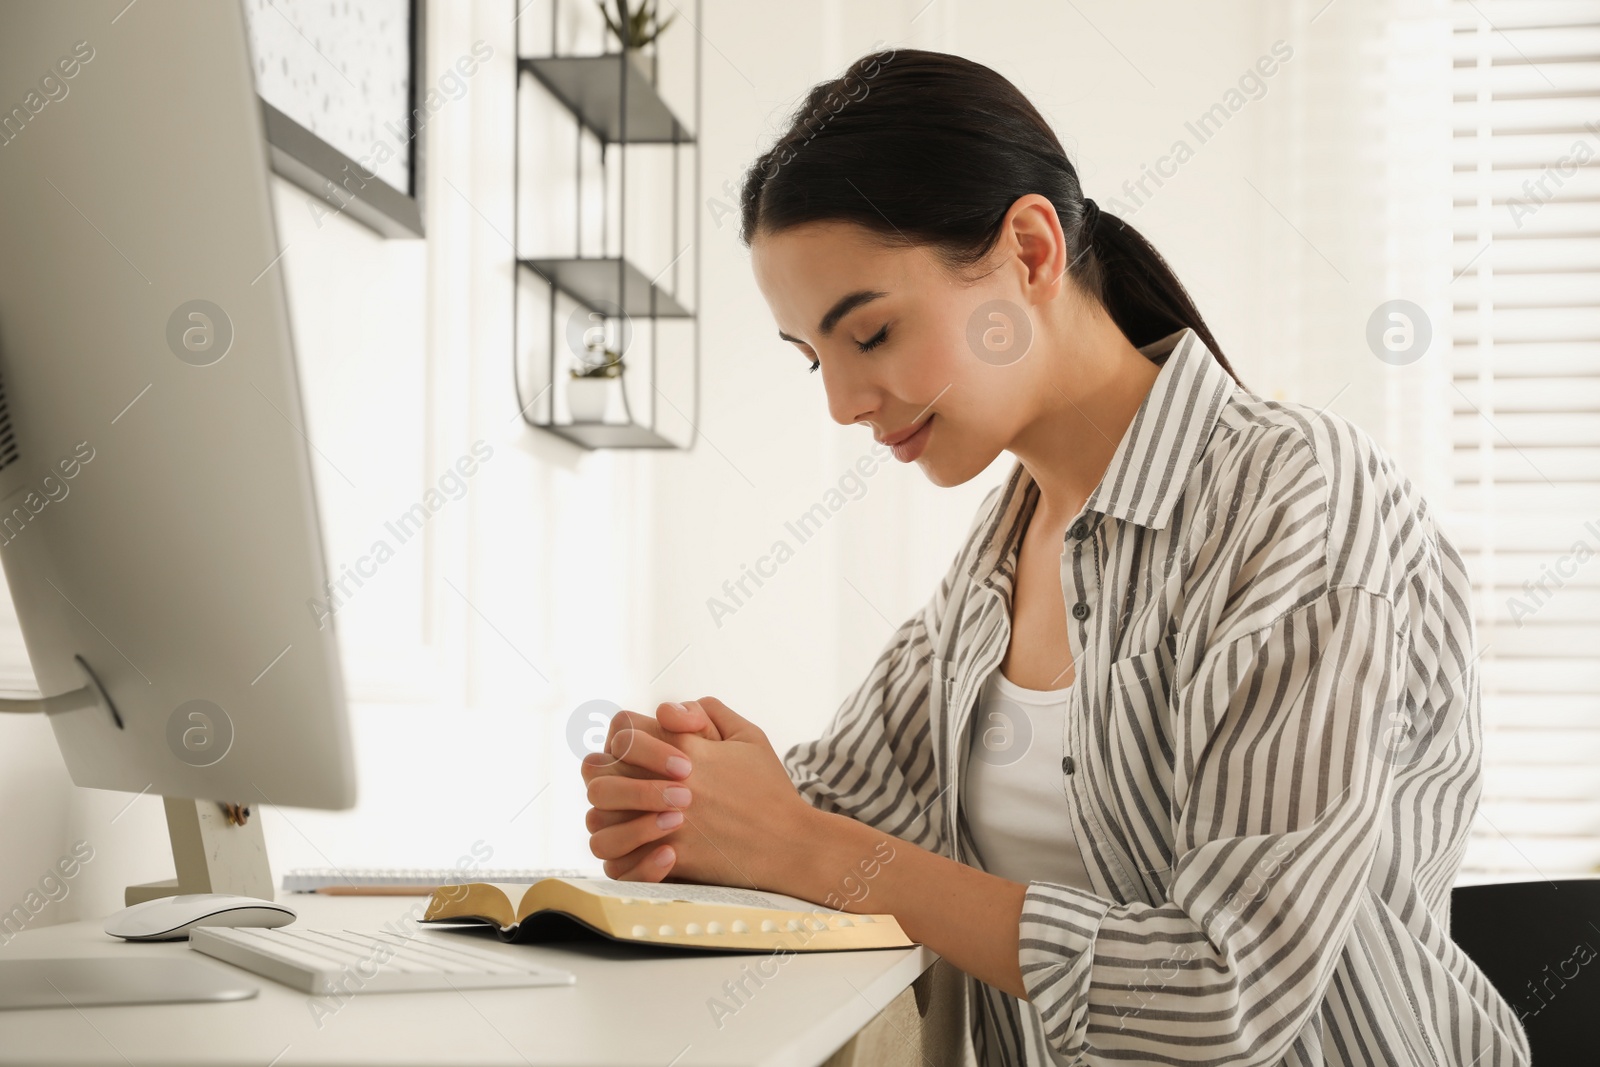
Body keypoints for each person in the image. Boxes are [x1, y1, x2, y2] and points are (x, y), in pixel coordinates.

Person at [580, 48, 1531, 1067]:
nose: (842, 402)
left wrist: (802, 841)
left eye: (873, 331)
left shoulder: (1298, 499)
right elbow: (843, 805)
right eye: (814, 358)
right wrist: (696, 788)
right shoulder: (999, 554)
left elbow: (1227, 993)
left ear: (1031, 250)